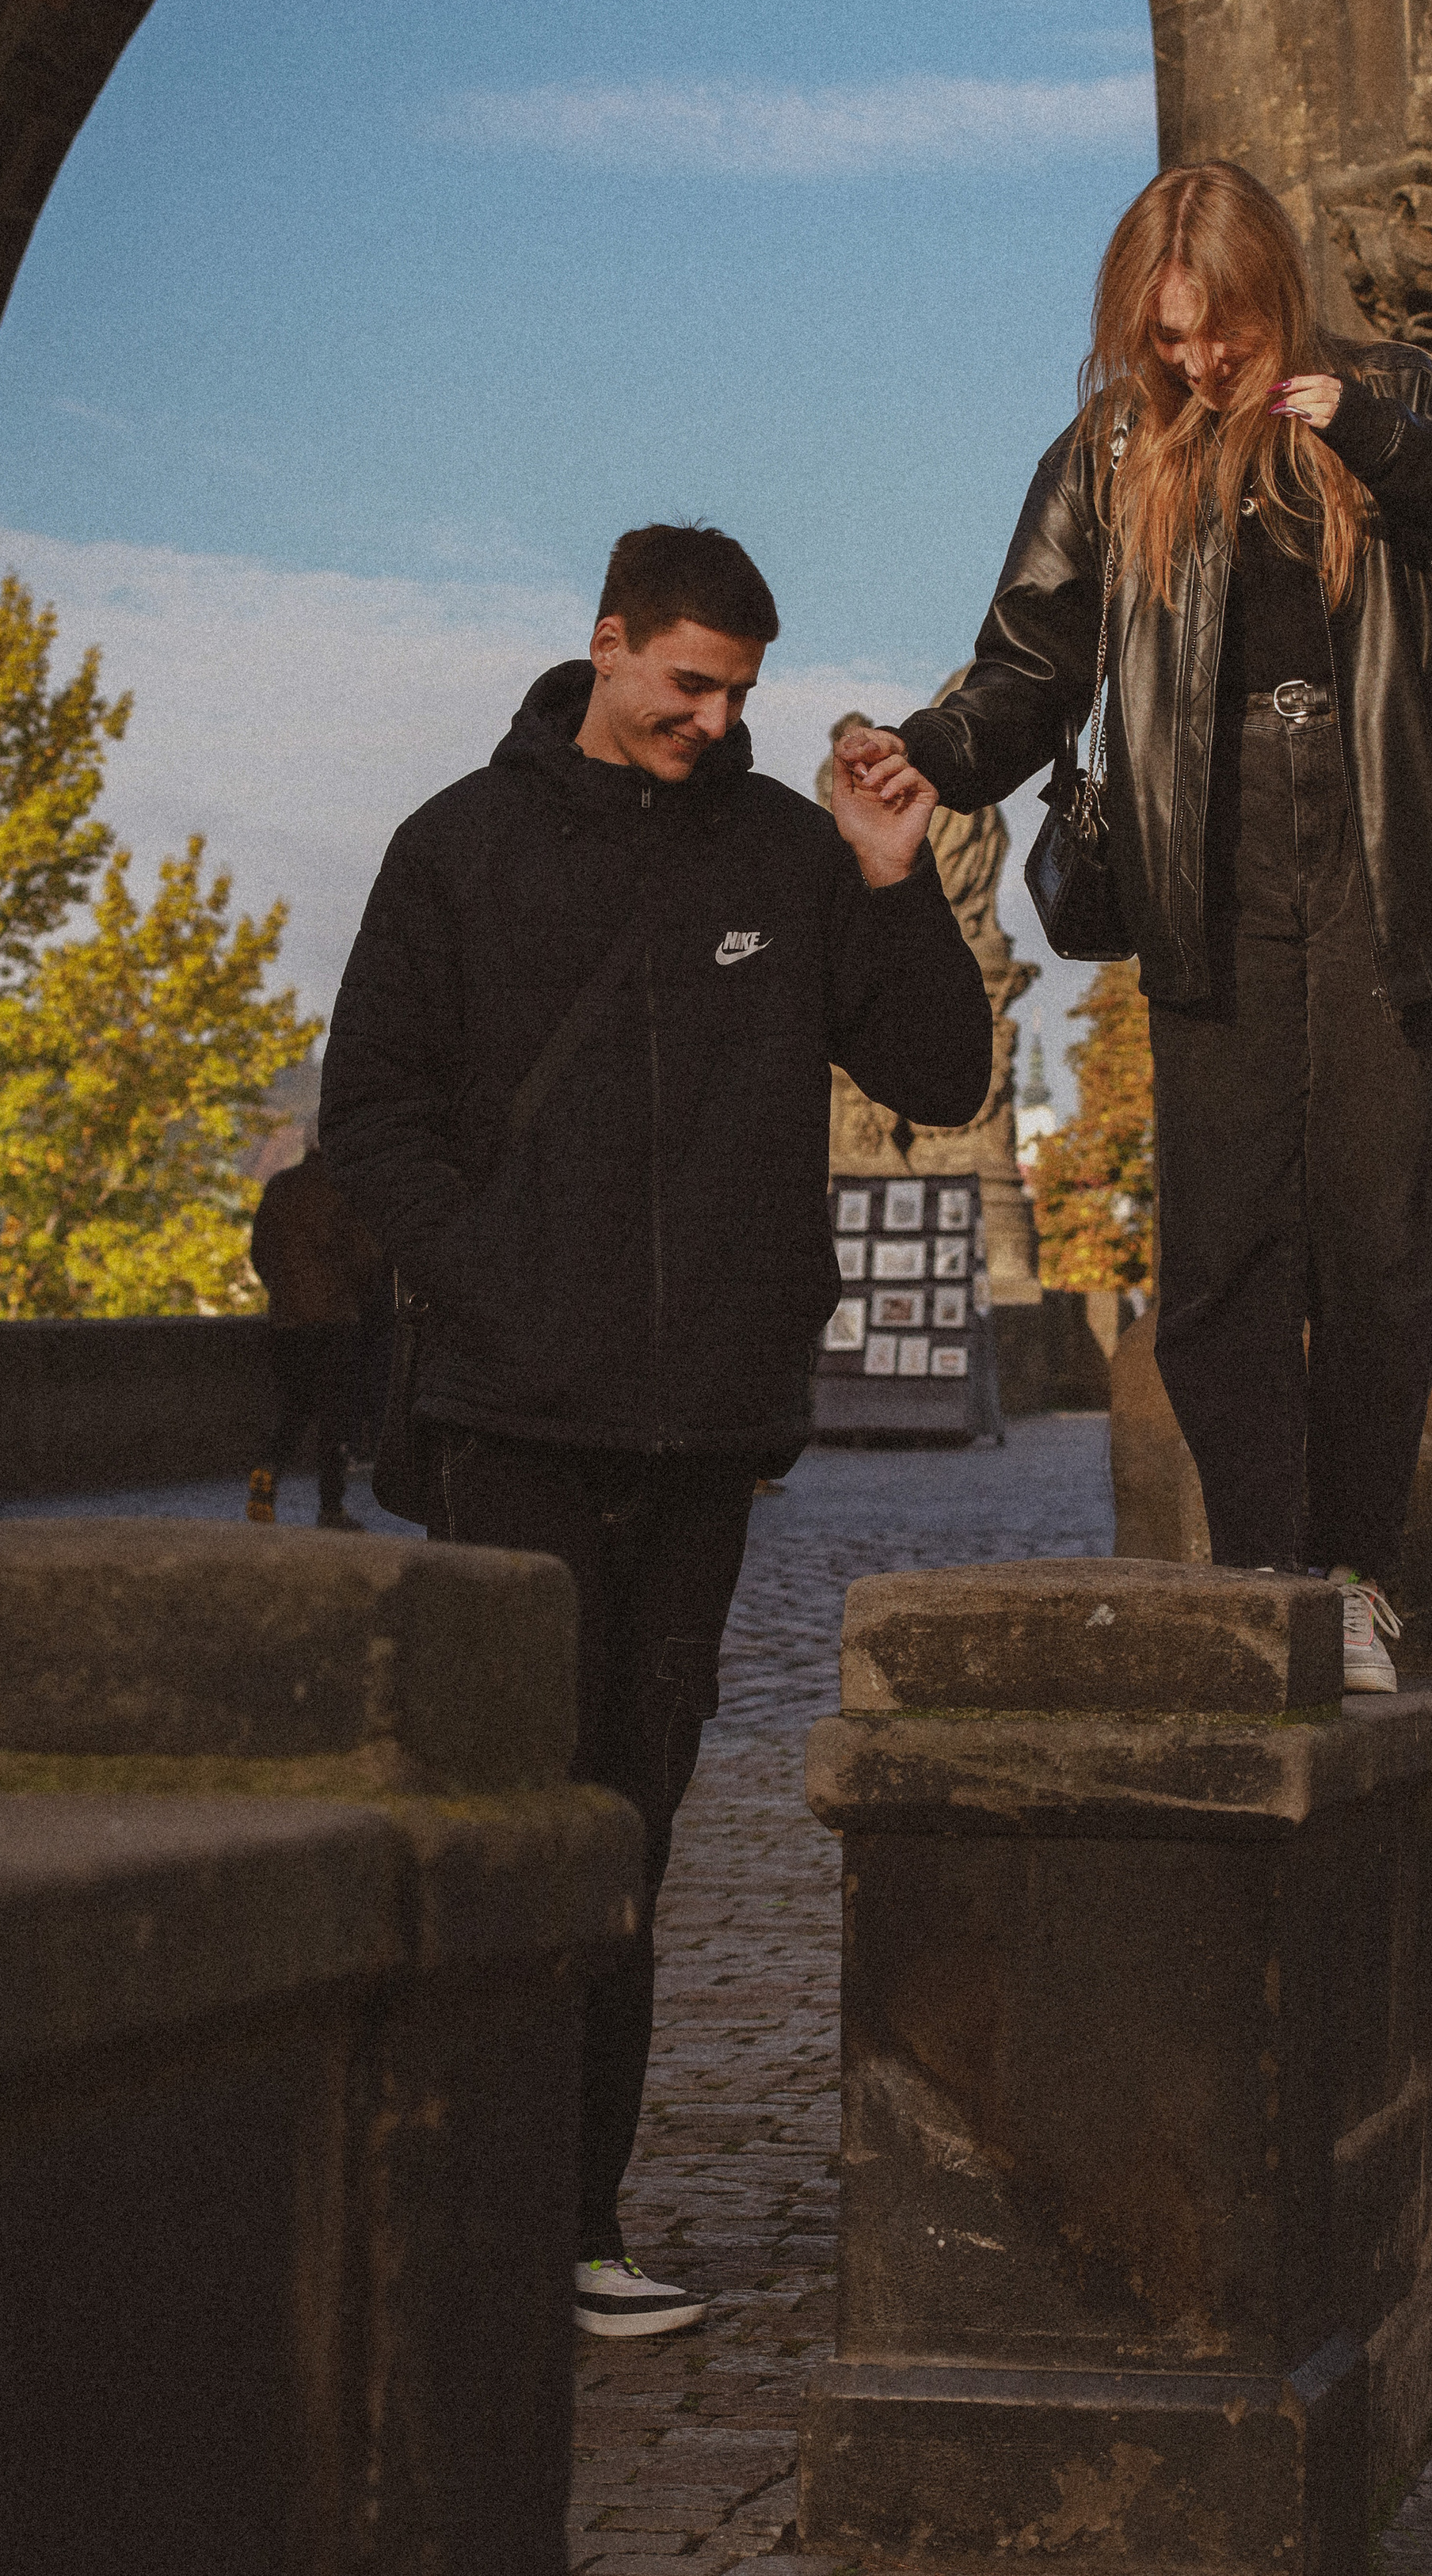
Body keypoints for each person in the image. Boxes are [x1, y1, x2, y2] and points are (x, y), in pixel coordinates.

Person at [318, 523, 991, 2334]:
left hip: (701, 1436)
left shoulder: (786, 849)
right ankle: (448, 2212)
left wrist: (883, 870)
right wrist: (503, 1287)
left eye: (738, 691)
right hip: (505, 1422)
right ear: (604, 642)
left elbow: (940, 1071)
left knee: (631, 1822)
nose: (713, 717)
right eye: (685, 680)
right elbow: (368, 1118)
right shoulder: (456, 848)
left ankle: (574, 2219)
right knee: (496, 1814)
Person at [843, 161, 1432, 1691]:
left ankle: (1358, 1578)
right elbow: (1030, 662)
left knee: (1378, 1250)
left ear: (1270, 297)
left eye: (1217, 329)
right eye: (1164, 336)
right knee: (1226, 1256)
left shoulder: (1398, 396)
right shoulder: (1114, 452)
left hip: (1391, 861)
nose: (1194, 361)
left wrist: (1359, 432)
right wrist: (934, 751)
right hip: (1213, 864)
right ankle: (1263, 1580)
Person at [246, 1138, 378, 1529]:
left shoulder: (281, 1187)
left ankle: (268, 1469)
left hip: (286, 1323)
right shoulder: (346, 1189)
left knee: (294, 1408)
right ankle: (331, 1508)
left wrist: (283, 1292)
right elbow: (364, 1255)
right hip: (335, 1321)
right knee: (333, 1417)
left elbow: (260, 1251)